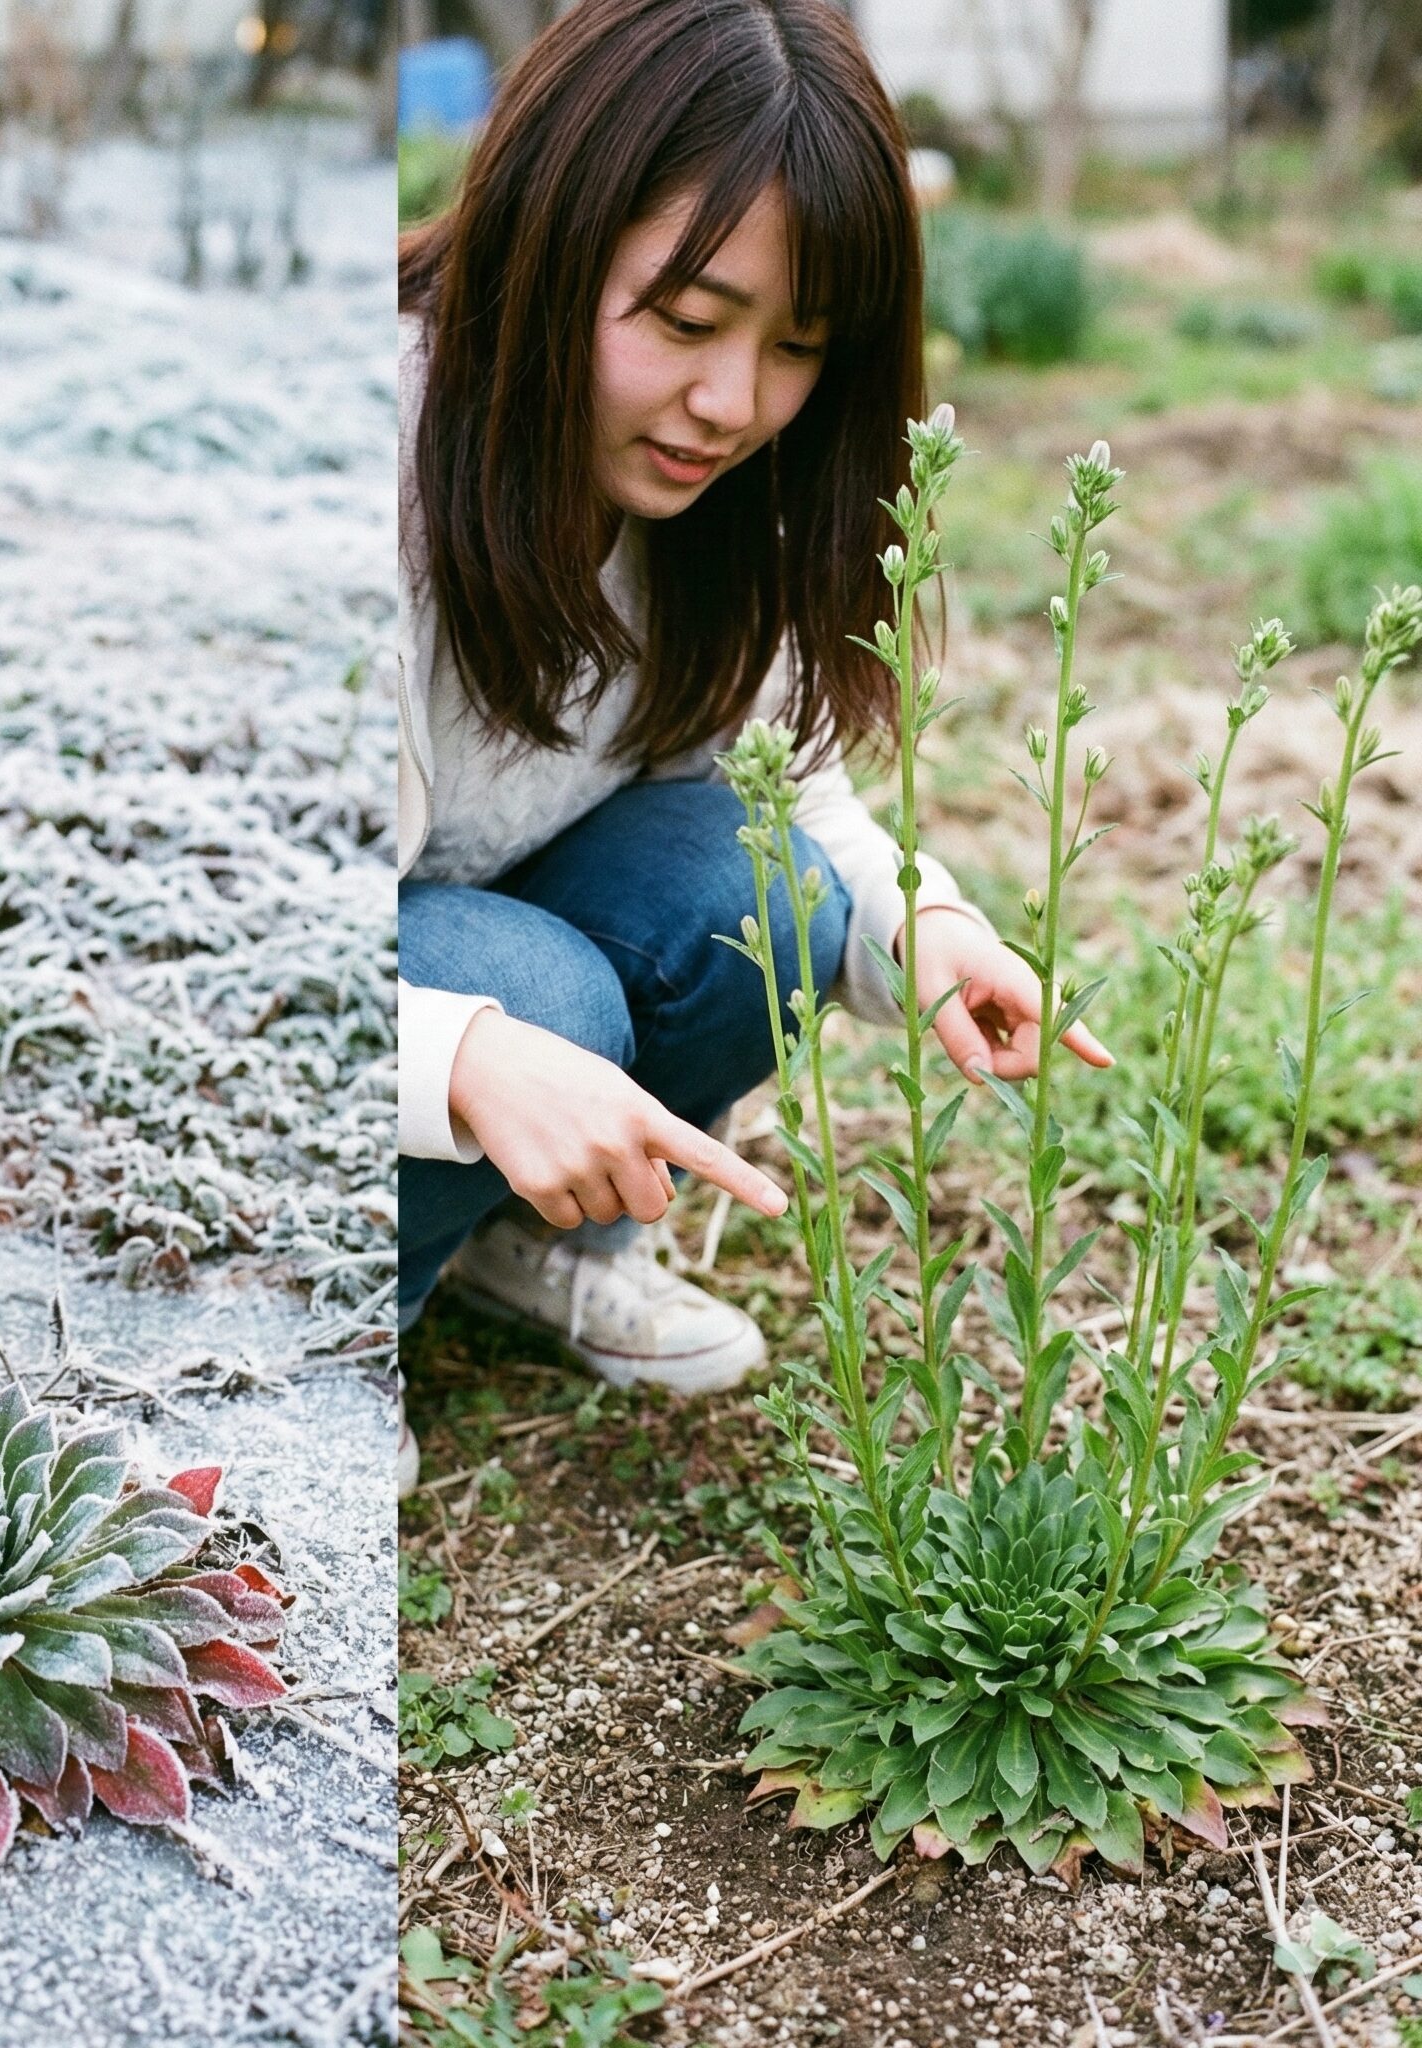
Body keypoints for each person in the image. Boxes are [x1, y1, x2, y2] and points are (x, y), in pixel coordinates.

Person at [396, 0, 1110, 1484]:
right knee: (544, 1002)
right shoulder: (380, 468)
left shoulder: (722, 496)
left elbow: (776, 779)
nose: (731, 405)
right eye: (685, 318)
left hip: (479, 937)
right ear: (549, 239)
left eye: (796, 348)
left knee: (772, 881)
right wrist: (461, 1051)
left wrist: (924, 929)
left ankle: (525, 1245)